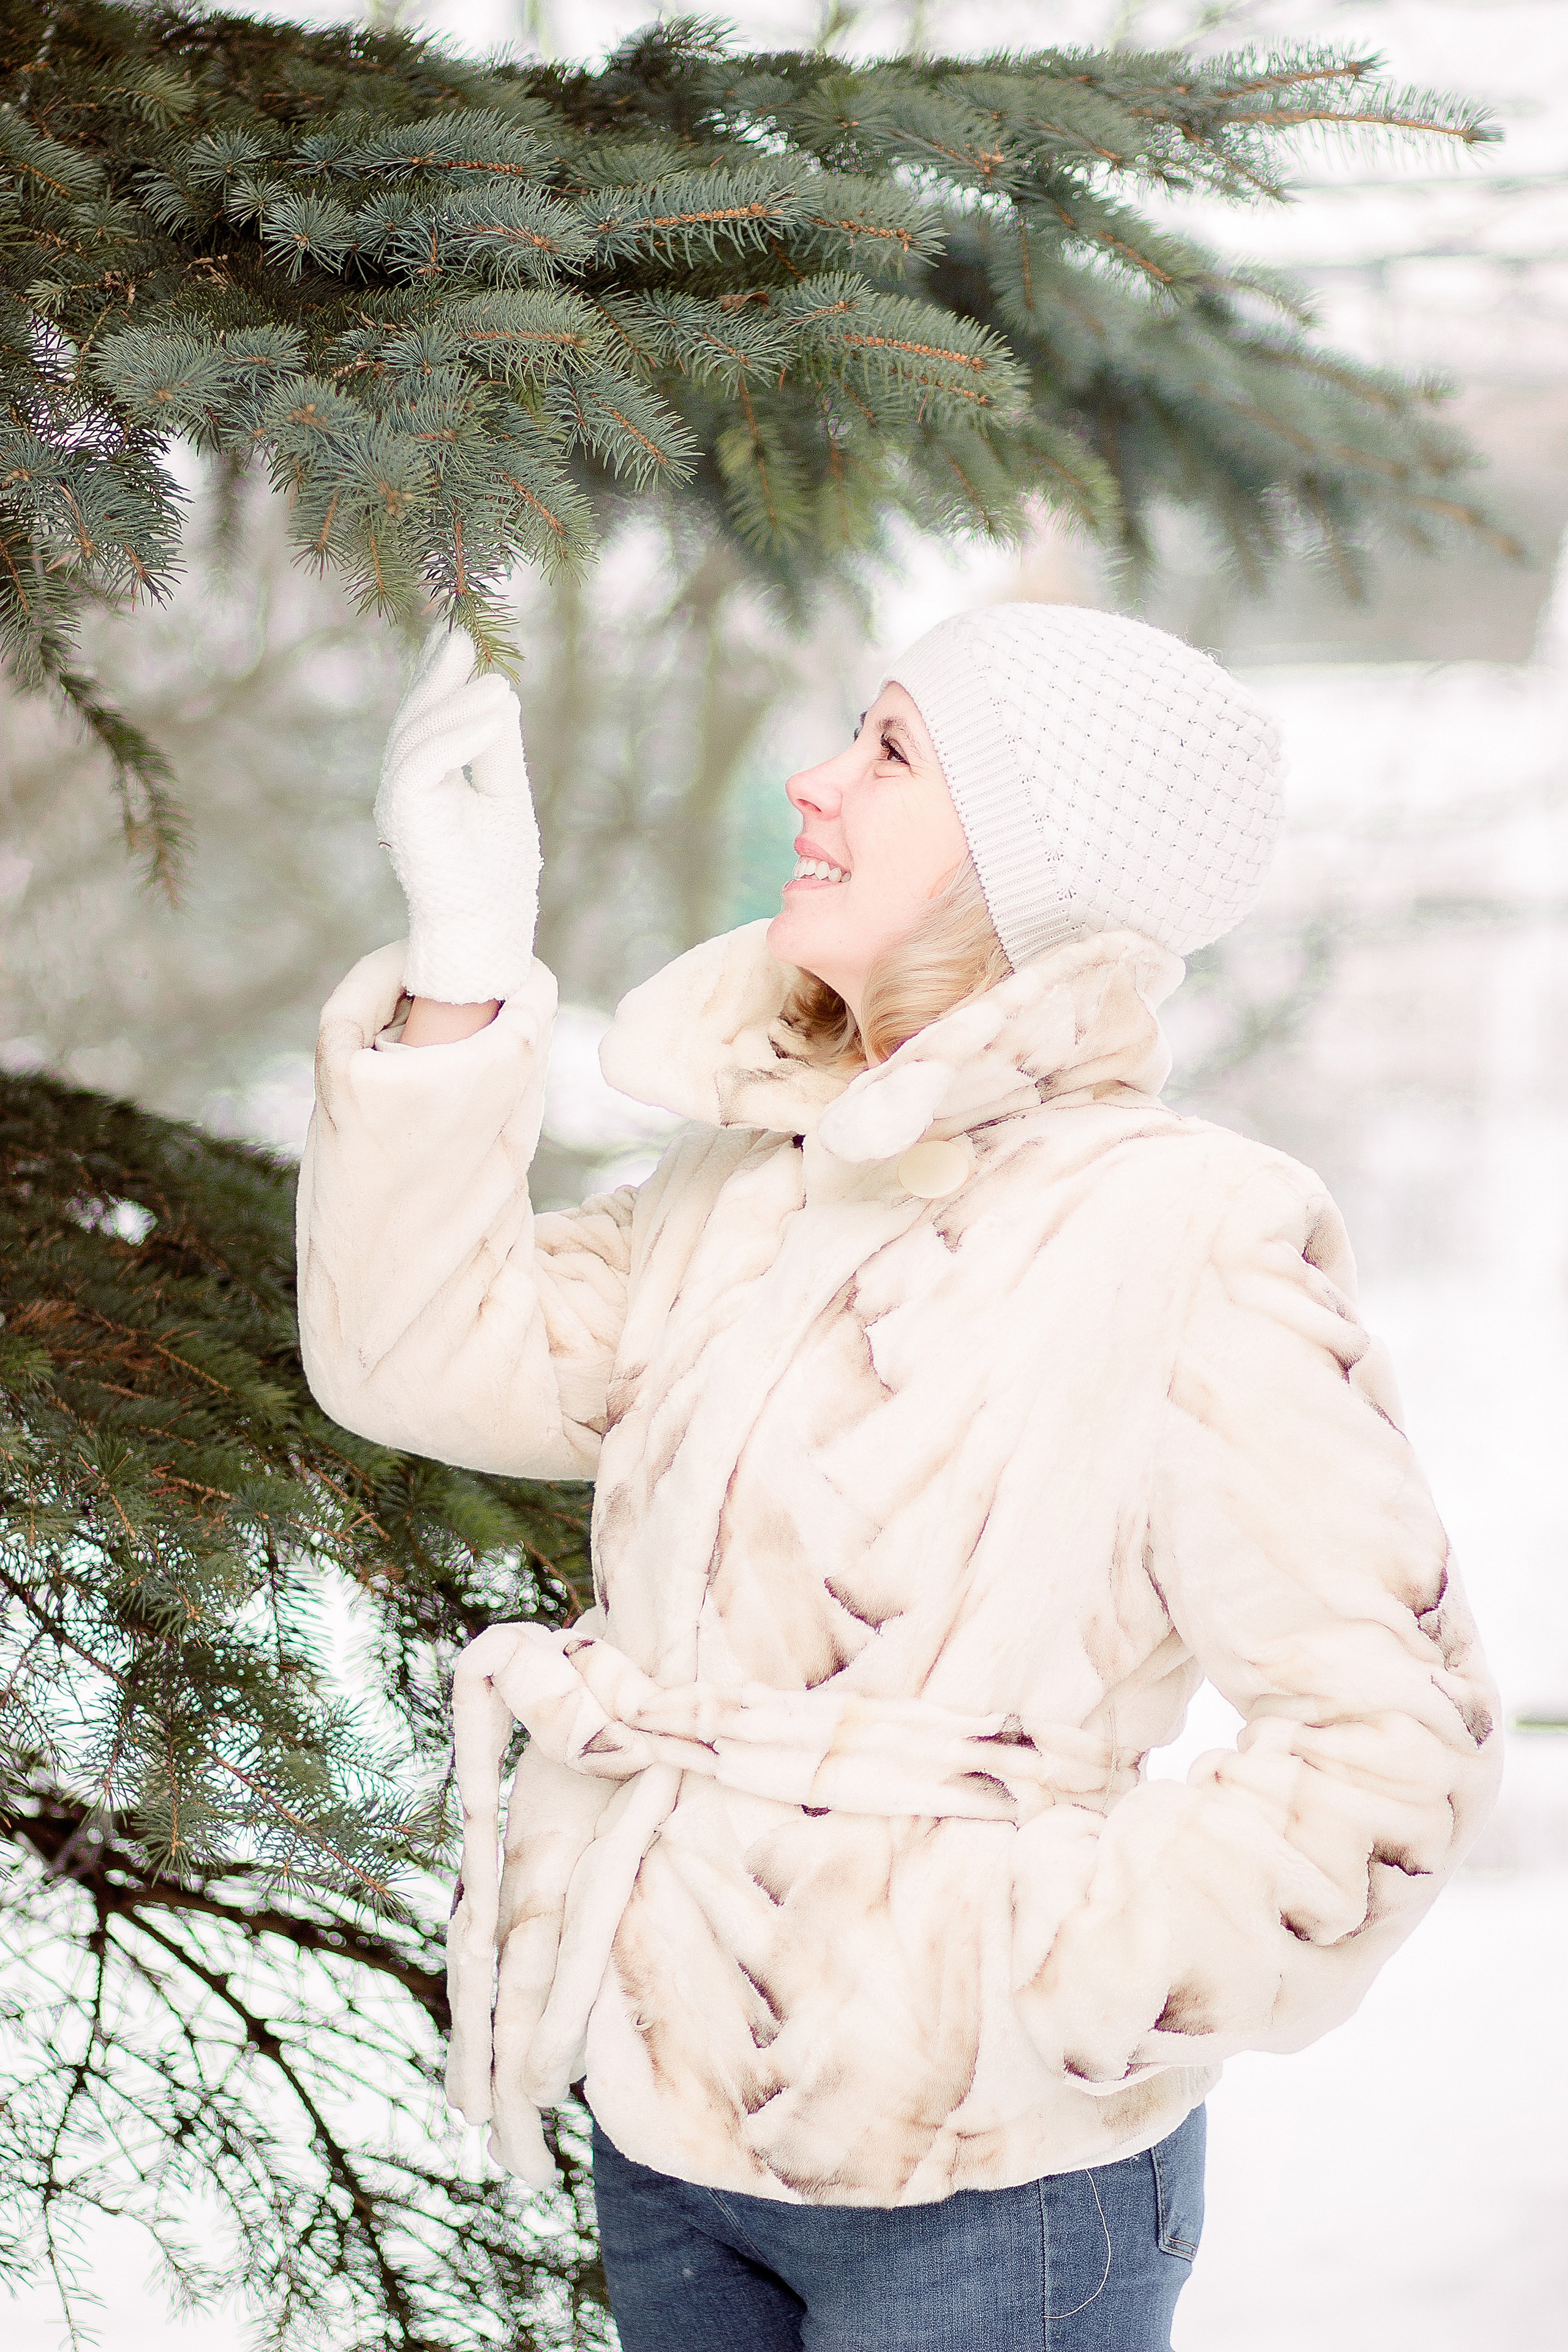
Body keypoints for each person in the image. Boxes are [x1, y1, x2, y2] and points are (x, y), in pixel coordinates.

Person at [297, 606, 1500, 2352]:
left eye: (890, 751)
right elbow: (417, 1349)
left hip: (989, 2185)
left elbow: (1392, 1743)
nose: (816, 780)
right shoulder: (737, 1188)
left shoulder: (1182, 1223)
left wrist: (1032, 1988)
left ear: (1027, 860)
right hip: (670, 2129)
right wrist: (463, 961)